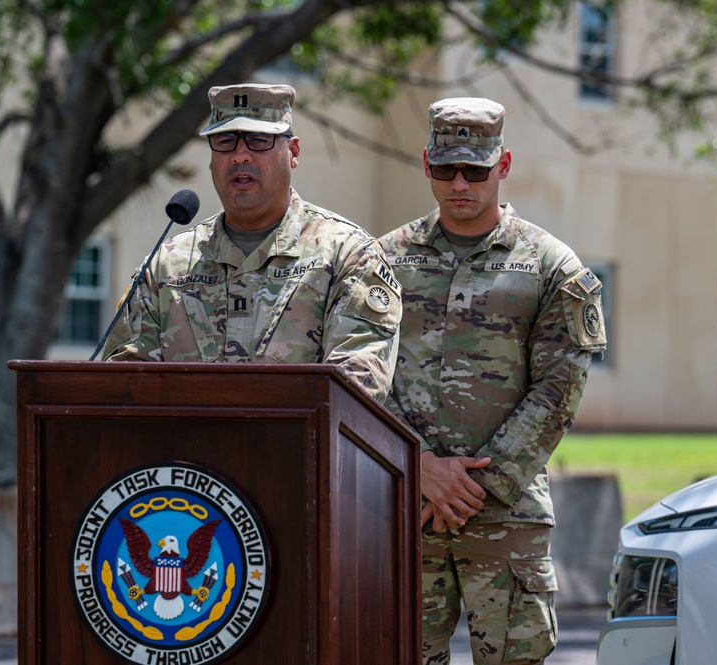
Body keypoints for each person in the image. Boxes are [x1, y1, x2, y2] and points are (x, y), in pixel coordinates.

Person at [380, 97, 606, 665]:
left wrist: (479, 483)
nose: (460, 183)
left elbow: (560, 389)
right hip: (404, 507)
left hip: (507, 517)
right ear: (426, 163)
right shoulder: (382, 260)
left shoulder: (552, 267)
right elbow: (362, 374)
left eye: (475, 170)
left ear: (502, 165)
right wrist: (419, 467)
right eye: (445, 168)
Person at [102, 83, 402, 402]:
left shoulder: (348, 256)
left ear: (293, 152)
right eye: (225, 141)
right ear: (212, 157)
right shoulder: (165, 266)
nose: (239, 156)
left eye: (259, 140)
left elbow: (356, 390)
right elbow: (123, 388)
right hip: (182, 450)